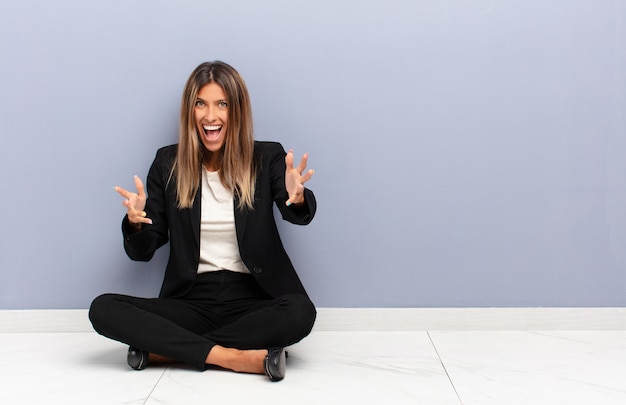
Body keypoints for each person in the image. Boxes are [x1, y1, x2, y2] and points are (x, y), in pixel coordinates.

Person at [88, 61, 317, 382]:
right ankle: (234, 358)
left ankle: (166, 351)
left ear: (237, 110)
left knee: (300, 312)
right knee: (103, 308)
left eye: (222, 104)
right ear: (190, 110)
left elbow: (298, 212)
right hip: (190, 302)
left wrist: (297, 198)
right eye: (201, 104)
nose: (211, 116)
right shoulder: (168, 163)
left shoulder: (267, 157)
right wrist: (136, 223)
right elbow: (143, 251)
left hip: (254, 300)